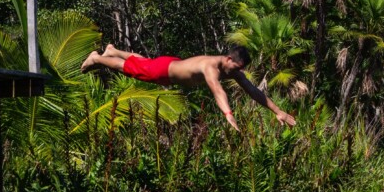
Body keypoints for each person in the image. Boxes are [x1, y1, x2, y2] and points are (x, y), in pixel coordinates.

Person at [80, 44, 296, 130]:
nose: (235, 72)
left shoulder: (231, 69)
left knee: (143, 62)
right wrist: (228, 114)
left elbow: (253, 90)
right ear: (228, 58)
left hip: (170, 65)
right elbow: (217, 90)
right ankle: (98, 58)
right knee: (130, 68)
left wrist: (278, 111)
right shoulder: (211, 67)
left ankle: (113, 49)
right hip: (164, 71)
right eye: (236, 67)